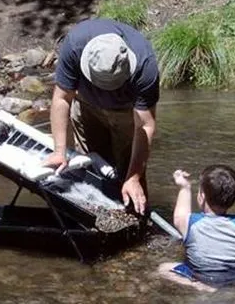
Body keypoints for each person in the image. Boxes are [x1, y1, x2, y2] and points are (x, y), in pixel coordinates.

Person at [41, 18, 160, 215]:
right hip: (85, 104)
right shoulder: (74, 45)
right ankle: (87, 218)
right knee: (87, 165)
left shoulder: (145, 66)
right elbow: (62, 99)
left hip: (126, 113)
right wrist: (59, 151)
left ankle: (138, 221)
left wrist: (134, 176)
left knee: (128, 171)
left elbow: (145, 126)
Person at [158, 165, 235, 292]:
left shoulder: (190, 222)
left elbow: (180, 213)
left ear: (202, 196)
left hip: (203, 277)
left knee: (163, 269)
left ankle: (198, 286)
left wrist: (184, 187)